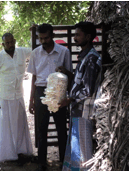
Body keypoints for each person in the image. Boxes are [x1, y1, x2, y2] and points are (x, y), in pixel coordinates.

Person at [56, 21, 102, 171]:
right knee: (77, 146)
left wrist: (70, 99)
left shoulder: (91, 59)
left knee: (83, 149)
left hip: (84, 111)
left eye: (78, 35)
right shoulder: (85, 56)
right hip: (78, 109)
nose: (75, 38)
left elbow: (88, 90)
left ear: (88, 37)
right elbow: (80, 81)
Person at [27, 23, 73, 171]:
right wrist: (31, 99)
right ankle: (42, 163)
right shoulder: (35, 53)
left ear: (52, 36)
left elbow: (71, 75)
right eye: (41, 39)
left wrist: (65, 71)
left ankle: (63, 161)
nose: (43, 41)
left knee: (61, 129)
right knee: (41, 129)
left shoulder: (64, 52)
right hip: (41, 92)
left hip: (59, 92)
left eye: (46, 38)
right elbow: (34, 77)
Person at [0, 33, 33, 164]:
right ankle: (7, 156)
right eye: (7, 43)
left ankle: (22, 152)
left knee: (20, 124)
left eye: (11, 42)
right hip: (4, 96)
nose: (10, 45)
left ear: (15, 41)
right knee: (6, 126)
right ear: (3, 44)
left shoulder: (22, 52)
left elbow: (35, 51)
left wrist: (35, 34)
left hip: (18, 94)